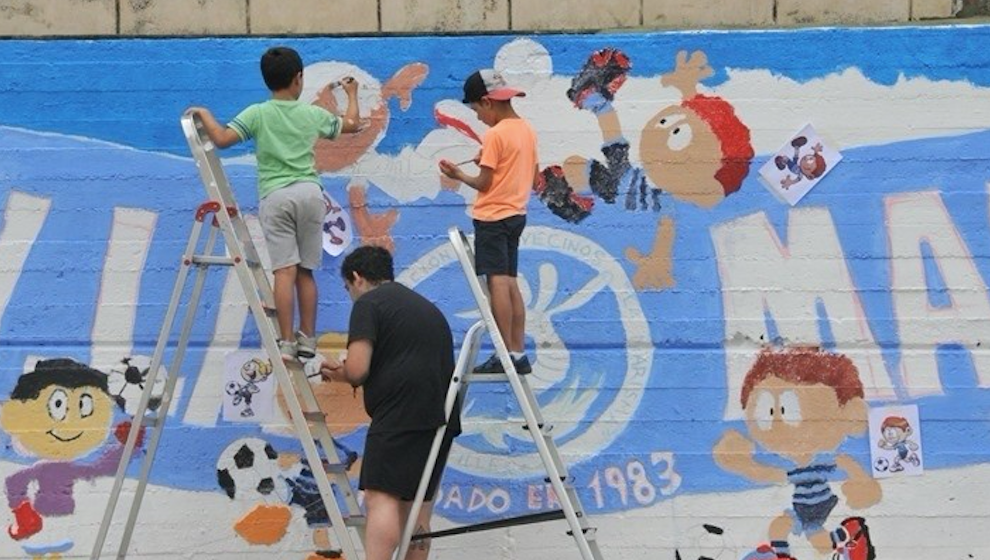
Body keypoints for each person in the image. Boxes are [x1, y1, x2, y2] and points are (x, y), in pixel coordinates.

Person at [189, 45, 362, 361]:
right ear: (298, 79)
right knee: (306, 272)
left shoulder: (258, 113)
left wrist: (203, 113)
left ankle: (286, 341)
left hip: (276, 195)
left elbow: (223, 139)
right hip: (311, 195)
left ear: (267, 80)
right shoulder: (312, 114)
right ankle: (308, 338)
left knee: (285, 272)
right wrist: (351, 94)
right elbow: (352, 124)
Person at [318, 245, 459, 560]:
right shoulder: (426, 308)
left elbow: (357, 369)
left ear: (357, 277)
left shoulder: (369, 304)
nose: (350, 295)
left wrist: (339, 373)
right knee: (418, 510)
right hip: (441, 417)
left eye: (347, 288)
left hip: (399, 415)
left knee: (380, 500)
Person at [439, 69, 538, 374]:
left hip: (492, 217)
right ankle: (517, 351)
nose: (478, 118)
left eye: (475, 110)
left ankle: (503, 353)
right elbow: (534, 176)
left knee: (497, 283)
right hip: (516, 214)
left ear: (487, 102)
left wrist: (458, 175)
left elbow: (483, 183)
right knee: (510, 282)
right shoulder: (526, 130)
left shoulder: (495, 135)